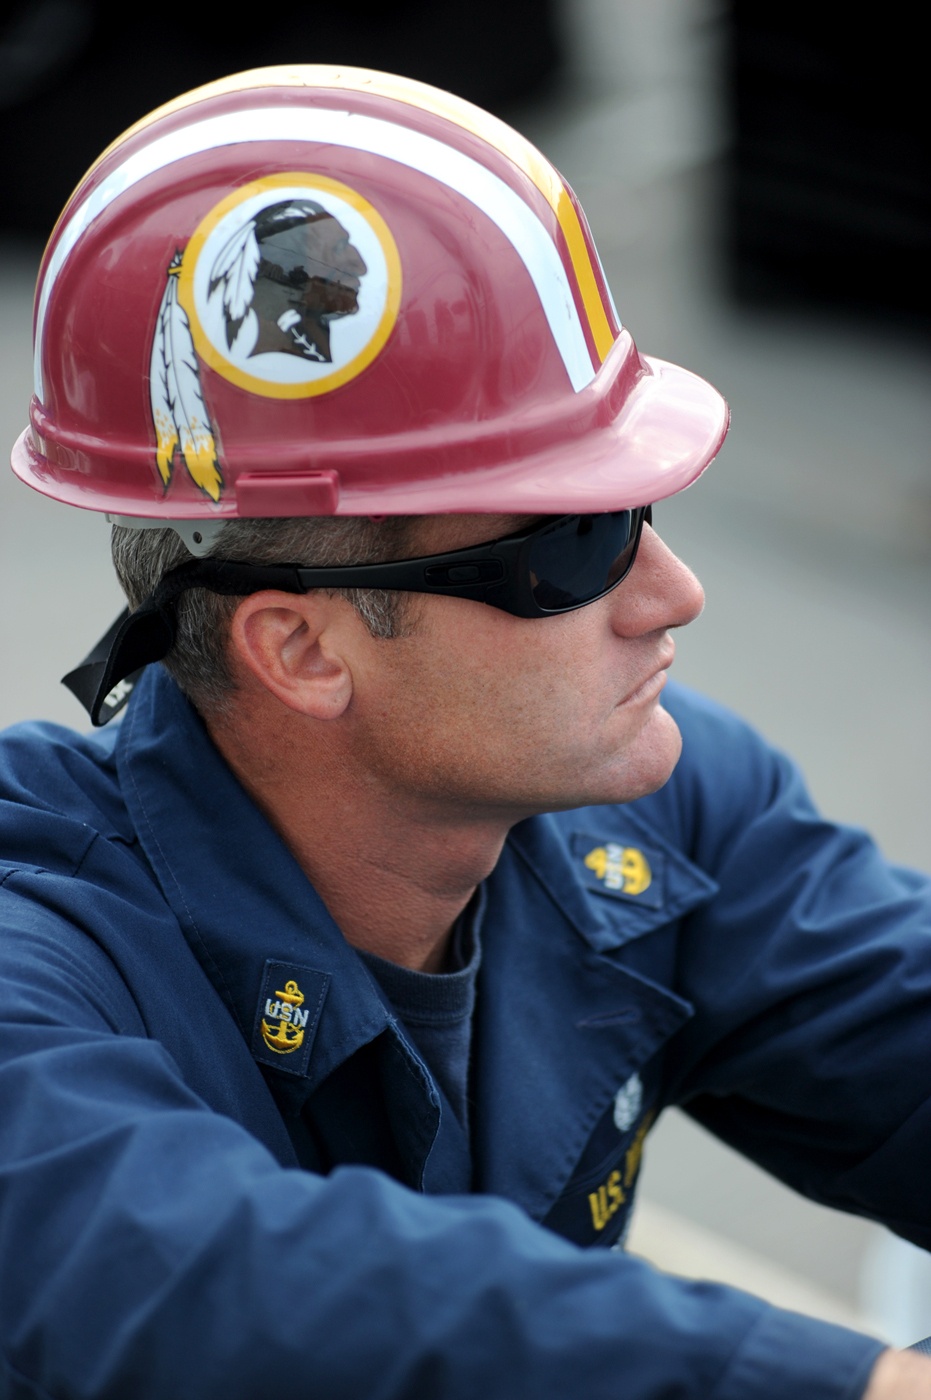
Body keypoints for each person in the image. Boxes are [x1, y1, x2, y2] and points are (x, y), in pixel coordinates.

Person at [2, 64, 929, 1400]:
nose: (671, 595)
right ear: (303, 649)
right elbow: (226, 1291)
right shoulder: (40, 959)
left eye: (642, 515)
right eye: (577, 545)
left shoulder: (657, 809)